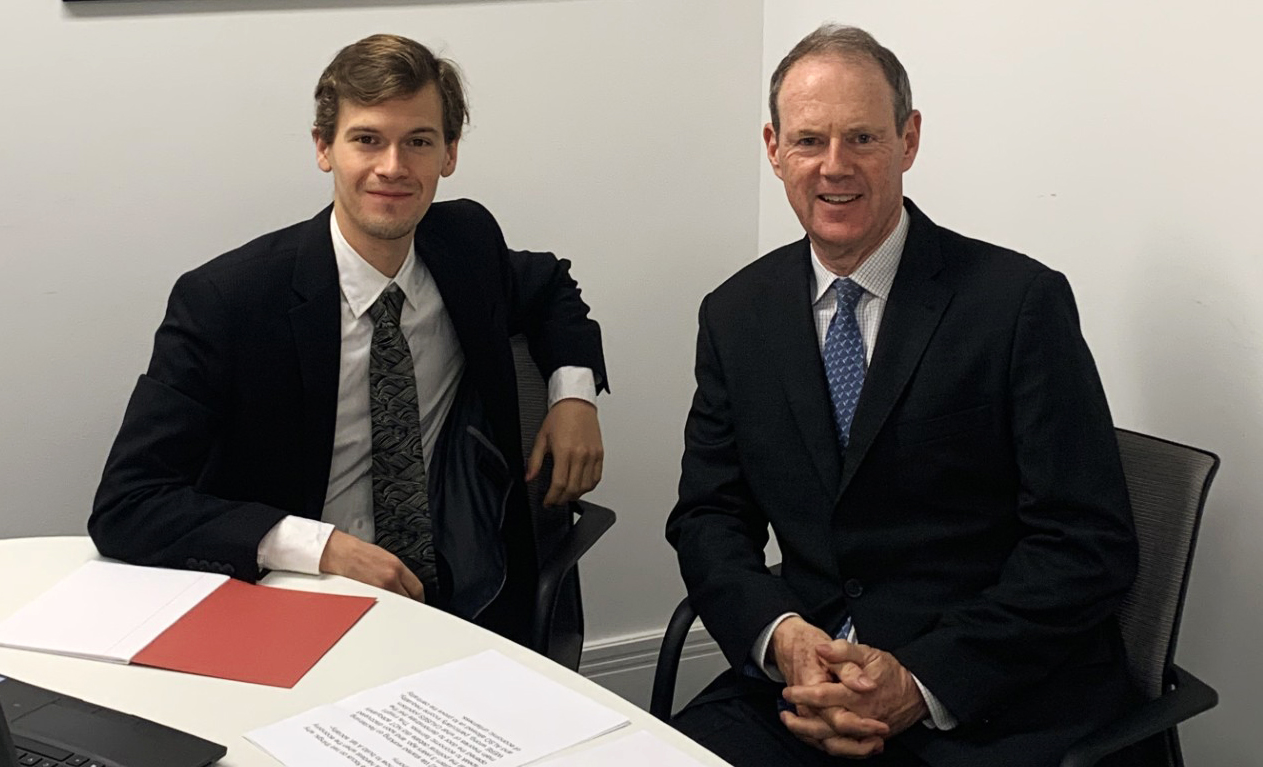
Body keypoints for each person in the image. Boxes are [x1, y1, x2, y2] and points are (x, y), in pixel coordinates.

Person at [666, 24, 1138, 767]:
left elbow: (1085, 545)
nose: (833, 167)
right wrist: (782, 636)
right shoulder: (735, 315)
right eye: (808, 140)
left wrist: (920, 680)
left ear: (908, 140)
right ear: (772, 147)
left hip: (981, 699)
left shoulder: (1017, 304)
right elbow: (708, 517)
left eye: (861, 137)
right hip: (805, 687)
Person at [89, 34, 607, 648]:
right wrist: (323, 549)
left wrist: (574, 395)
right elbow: (128, 503)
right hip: (291, 602)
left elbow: (550, 287)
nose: (393, 167)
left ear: (450, 154)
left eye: (418, 141)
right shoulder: (228, 302)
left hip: (463, 599)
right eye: (367, 139)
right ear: (323, 149)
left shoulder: (466, 244)